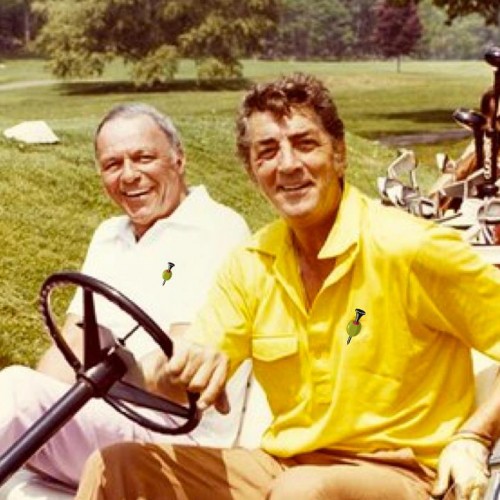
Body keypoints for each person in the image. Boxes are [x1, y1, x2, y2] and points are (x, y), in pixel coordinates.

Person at [76, 74, 500, 500]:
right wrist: (173, 371)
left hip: (404, 474)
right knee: (116, 464)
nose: (288, 164)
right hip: (285, 467)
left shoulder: (410, 248)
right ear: (252, 169)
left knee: (301, 490)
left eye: (305, 144)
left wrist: (475, 438)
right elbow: (197, 363)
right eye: (267, 152)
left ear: (339, 154)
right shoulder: (251, 264)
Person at [0, 103, 252, 487]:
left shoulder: (217, 230)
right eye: (113, 164)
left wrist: (112, 373)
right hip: (102, 414)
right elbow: (72, 345)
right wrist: (47, 399)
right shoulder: (108, 235)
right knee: (21, 419)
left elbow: (181, 377)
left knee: (17, 392)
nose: (129, 175)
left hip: (176, 435)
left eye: (143, 158)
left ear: (179, 159)